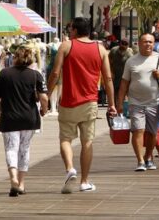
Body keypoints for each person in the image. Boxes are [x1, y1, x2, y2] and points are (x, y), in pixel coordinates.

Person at [47, 16, 117, 194]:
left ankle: (70, 169)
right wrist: (112, 104)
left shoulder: (66, 46)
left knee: (65, 139)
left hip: (68, 101)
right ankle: (84, 181)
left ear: (76, 30)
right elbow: (108, 78)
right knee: (87, 142)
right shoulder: (100, 49)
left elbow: (55, 73)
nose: (69, 32)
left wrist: (47, 95)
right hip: (90, 102)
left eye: (70, 29)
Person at [0, 45, 49, 197]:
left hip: (9, 117)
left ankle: (13, 179)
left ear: (15, 58)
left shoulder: (4, 74)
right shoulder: (35, 75)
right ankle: (21, 184)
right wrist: (44, 109)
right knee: (24, 149)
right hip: (29, 118)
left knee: (11, 148)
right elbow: (43, 97)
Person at [117, 33, 159, 172]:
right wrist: (119, 103)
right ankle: (140, 161)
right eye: (145, 42)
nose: (148, 44)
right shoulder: (131, 61)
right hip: (135, 102)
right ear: (139, 43)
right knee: (138, 130)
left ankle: (148, 157)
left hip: (155, 102)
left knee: (152, 133)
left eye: (150, 42)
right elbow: (124, 83)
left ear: (154, 44)